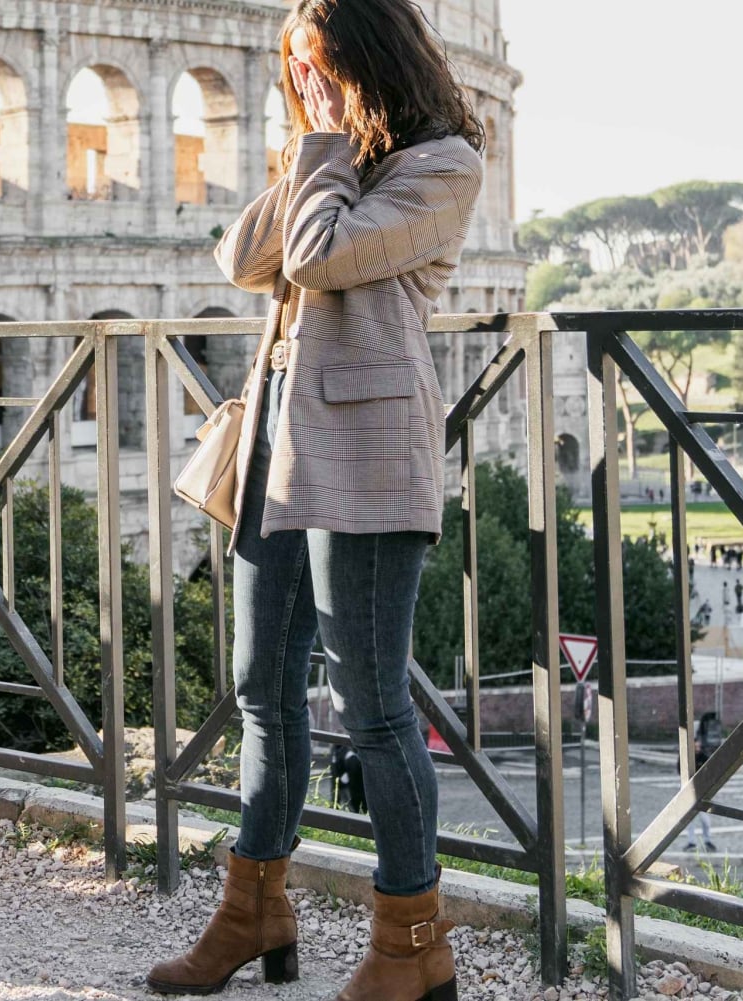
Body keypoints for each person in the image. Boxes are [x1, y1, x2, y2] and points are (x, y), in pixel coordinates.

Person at [146, 3, 484, 999]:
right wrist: (308, 143)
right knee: (261, 687)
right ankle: (254, 911)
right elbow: (241, 257)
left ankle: (412, 944)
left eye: (320, 64)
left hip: (371, 450)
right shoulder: (326, 158)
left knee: (375, 708)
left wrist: (326, 140)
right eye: (293, 65)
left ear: (370, 58)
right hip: (276, 444)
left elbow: (318, 260)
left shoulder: (442, 163)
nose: (304, 80)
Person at [681, 737, 717, 852]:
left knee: (705, 820)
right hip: (689, 792)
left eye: (698, 747)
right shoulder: (686, 757)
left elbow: (711, 772)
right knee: (690, 820)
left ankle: (707, 841)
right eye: (695, 747)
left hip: (702, 792)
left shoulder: (704, 757)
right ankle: (691, 842)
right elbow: (679, 770)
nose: (697, 749)